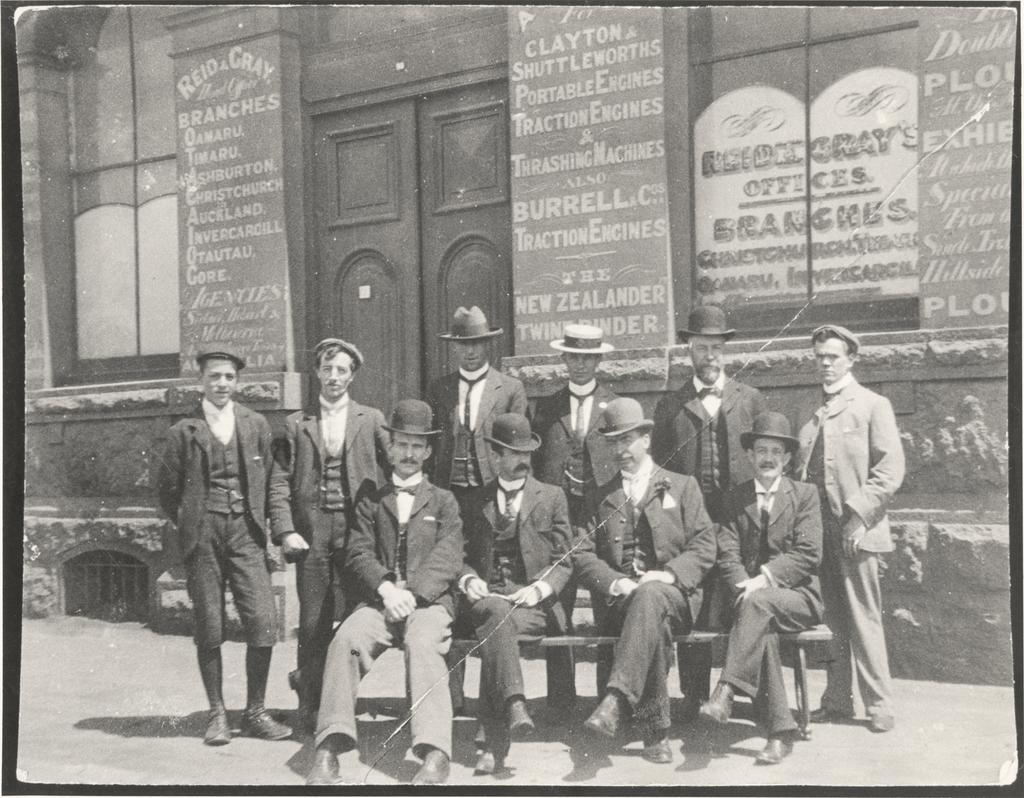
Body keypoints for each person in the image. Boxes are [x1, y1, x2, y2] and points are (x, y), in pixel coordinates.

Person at [306, 400, 462, 785]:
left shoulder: (444, 501)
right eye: (401, 445)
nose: (408, 454)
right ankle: (329, 745)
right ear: (389, 447)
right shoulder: (370, 500)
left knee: (423, 644)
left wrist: (414, 594)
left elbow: (449, 555)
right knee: (346, 639)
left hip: (427, 604)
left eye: (416, 447)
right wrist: (387, 589)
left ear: (427, 452)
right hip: (380, 601)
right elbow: (356, 551)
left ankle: (434, 752)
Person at [157, 351, 292, 746]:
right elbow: (167, 491)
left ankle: (255, 711)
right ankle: (217, 712)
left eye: (229, 377)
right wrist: (192, 521)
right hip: (203, 534)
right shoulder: (183, 430)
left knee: (263, 619)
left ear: (237, 382)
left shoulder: (255, 424)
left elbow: (270, 479)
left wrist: (271, 527)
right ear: (200, 380)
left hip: (246, 533)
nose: (221, 384)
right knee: (209, 623)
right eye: (214, 376)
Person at [574, 398, 717, 764]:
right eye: (614, 443)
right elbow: (583, 554)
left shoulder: (682, 486)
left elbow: (704, 545)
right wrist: (616, 582)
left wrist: (668, 574)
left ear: (646, 440)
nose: (621, 450)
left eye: (628, 440)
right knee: (648, 611)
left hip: (676, 595)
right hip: (623, 601)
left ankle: (615, 701)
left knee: (652, 596)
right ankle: (656, 731)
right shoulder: (600, 495)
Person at [651, 304, 769, 715]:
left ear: (726, 351)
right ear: (690, 350)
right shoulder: (670, 406)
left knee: (743, 600)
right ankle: (695, 695)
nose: (710, 356)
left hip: (739, 524)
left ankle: (745, 693)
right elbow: (661, 475)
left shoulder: (749, 399)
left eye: (717, 348)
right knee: (694, 603)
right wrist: (669, 523)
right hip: (691, 526)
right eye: (702, 348)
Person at [267, 337, 390, 733]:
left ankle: (337, 694)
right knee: (314, 620)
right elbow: (280, 482)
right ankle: (310, 703)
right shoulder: (295, 423)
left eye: (342, 370)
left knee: (359, 615)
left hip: (358, 531)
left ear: (352, 376)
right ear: (317, 372)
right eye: (327, 369)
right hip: (313, 531)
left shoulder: (370, 419)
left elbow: (395, 472)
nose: (334, 377)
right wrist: (286, 530)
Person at [796, 325, 904, 733]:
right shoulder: (808, 408)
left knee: (864, 617)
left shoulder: (873, 405)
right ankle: (837, 700)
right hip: (818, 531)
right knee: (833, 621)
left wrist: (859, 516)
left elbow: (889, 471)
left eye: (834, 357)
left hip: (858, 529)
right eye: (820, 356)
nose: (825, 364)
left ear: (851, 359)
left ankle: (879, 705)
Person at [699, 412, 823, 765]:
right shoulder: (734, 498)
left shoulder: (805, 495)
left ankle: (726, 690)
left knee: (758, 606)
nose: (768, 458)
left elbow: (809, 553)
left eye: (776, 452)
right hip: (750, 603)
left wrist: (761, 580)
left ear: (786, 459)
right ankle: (781, 731)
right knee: (761, 629)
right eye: (761, 451)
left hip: (798, 598)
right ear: (750, 457)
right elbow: (727, 553)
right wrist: (744, 586)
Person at [455, 413, 573, 776]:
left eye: (527, 452)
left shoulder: (552, 497)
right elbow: (455, 554)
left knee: (498, 626)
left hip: (531, 606)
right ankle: (514, 703)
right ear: (495, 456)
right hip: (486, 600)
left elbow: (565, 558)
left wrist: (538, 589)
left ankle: (492, 745)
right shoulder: (475, 500)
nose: (523, 460)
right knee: (494, 615)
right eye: (512, 452)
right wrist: (467, 578)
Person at [426, 305, 527, 517]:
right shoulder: (439, 389)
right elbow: (431, 442)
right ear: (453, 346)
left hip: (492, 490)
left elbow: (519, 448)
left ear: (487, 344)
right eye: (463, 344)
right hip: (448, 491)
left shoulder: (510, 388)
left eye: (476, 343)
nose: (470, 351)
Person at [531, 323, 618, 525]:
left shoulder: (613, 405)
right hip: (556, 507)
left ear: (598, 359)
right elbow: (536, 459)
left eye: (587, 357)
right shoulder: (548, 406)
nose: (580, 364)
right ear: (564, 358)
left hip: (598, 506)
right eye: (573, 357)